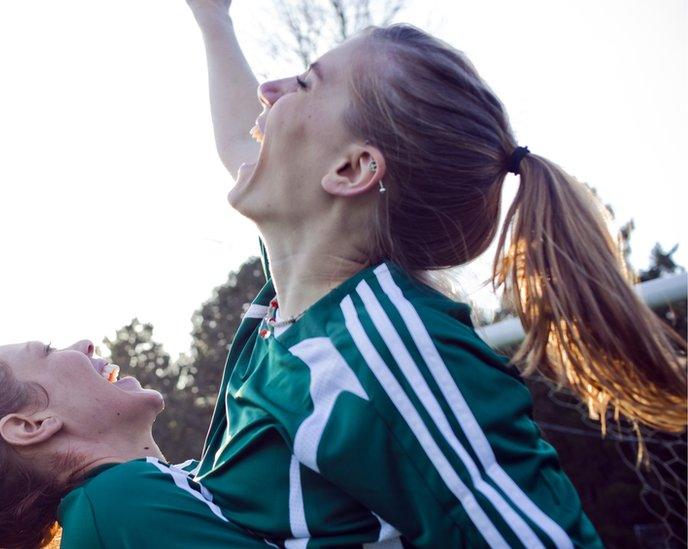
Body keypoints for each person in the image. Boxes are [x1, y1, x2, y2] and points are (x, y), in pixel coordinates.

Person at [185, 1, 687, 547]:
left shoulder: (385, 346)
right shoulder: (302, 298)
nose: (270, 89)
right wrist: (213, 17)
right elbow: (245, 139)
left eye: (306, 83)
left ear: (351, 170)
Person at [0, 339, 270, 548]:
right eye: (46, 351)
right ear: (32, 425)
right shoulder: (120, 505)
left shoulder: (155, 492)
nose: (84, 344)